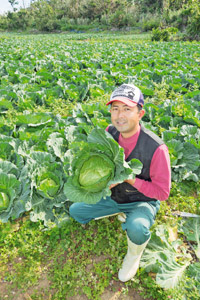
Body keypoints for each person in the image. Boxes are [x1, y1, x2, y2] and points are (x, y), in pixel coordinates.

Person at [69, 83, 171, 282]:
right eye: (115, 109)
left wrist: (130, 179)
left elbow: (162, 193)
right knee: (76, 211)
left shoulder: (157, 149)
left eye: (127, 109)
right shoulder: (109, 132)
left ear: (140, 114)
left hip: (143, 200)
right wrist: (103, 182)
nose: (120, 115)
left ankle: (134, 254)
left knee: (137, 228)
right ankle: (118, 210)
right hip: (114, 196)